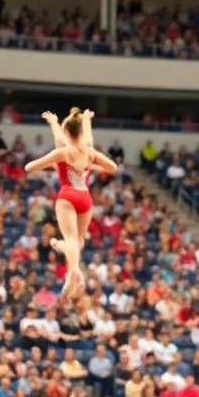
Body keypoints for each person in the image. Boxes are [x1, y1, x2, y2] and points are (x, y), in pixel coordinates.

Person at [25, 109, 118, 299]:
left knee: (70, 239)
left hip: (67, 195)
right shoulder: (90, 151)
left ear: (67, 133)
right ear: (81, 133)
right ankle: (69, 264)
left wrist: (50, 162)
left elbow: (29, 167)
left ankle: (74, 271)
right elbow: (113, 168)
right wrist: (86, 121)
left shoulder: (63, 152)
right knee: (77, 240)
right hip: (85, 198)